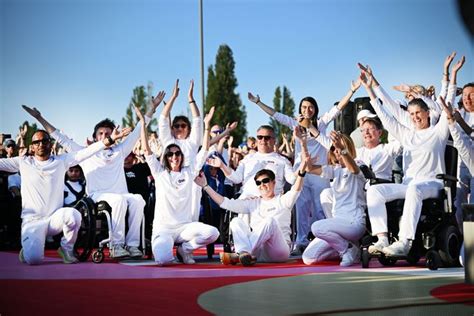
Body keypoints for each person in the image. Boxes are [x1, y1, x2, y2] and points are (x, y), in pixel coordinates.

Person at [22, 90, 165, 259]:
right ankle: (117, 245)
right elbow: (60, 138)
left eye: (108, 133)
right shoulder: (86, 153)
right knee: (119, 200)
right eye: (101, 134)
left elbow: (137, 132)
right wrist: (39, 118)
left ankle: (133, 245)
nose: (105, 136)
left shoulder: (120, 150)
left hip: (120, 195)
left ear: (114, 135)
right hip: (96, 196)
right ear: (95, 137)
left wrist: (152, 108)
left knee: (138, 200)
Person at [248, 79, 362, 255]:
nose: (307, 110)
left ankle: (323, 239)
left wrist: (352, 91)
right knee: (300, 206)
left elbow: (338, 108)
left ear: (315, 110)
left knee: (319, 204)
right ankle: (301, 240)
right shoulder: (295, 124)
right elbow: (275, 114)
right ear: (300, 110)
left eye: (310, 107)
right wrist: (257, 102)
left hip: (319, 171)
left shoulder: (321, 123)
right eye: (303, 107)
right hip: (301, 171)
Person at [359, 65, 451, 256]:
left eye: (418, 112)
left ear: (427, 112)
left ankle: (405, 242)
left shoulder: (438, 131)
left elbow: (446, 104)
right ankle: (383, 238)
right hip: (410, 184)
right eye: (411, 114)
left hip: (432, 184)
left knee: (413, 189)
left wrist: (449, 75)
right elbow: (386, 116)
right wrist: (369, 88)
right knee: (375, 190)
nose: (415, 117)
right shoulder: (406, 134)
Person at [0, 128, 124, 264]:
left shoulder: (61, 161)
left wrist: (110, 140)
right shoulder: (23, 162)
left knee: (74, 215)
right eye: (37, 142)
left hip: (54, 219)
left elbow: (86, 152)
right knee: (34, 260)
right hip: (32, 221)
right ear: (32, 147)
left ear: (50, 144)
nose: (41, 144)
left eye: (44, 141)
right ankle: (28, 249)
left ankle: (66, 248)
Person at [196, 126, 308, 265]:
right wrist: (219, 169)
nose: (263, 140)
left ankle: (240, 254)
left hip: (276, 212)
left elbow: (294, 182)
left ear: (274, 140)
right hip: (249, 205)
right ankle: (244, 254)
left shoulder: (282, 161)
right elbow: (235, 182)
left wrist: (303, 166)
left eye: (267, 137)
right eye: (260, 137)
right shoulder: (248, 159)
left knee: (269, 221)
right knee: (236, 222)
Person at [137, 105, 219, 265]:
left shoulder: (190, 171)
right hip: (164, 229)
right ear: (166, 157)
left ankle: (185, 250)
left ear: (181, 156)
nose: (174, 157)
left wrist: (207, 126)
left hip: (185, 228)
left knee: (212, 233)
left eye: (177, 154)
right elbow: (146, 150)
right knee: (164, 260)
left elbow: (205, 149)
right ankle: (169, 251)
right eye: (170, 154)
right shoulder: (159, 173)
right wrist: (142, 123)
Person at [302, 131, 366, 267]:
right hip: (338, 225)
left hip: (354, 224)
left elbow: (353, 169)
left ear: (348, 148)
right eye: (333, 149)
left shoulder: (359, 164)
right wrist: (303, 147)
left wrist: (342, 148)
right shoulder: (335, 170)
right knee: (308, 258)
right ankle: (350, 249)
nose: (336, 151)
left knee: (316, 227)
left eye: (339, 148)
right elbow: (310, 169)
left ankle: (347, 249)